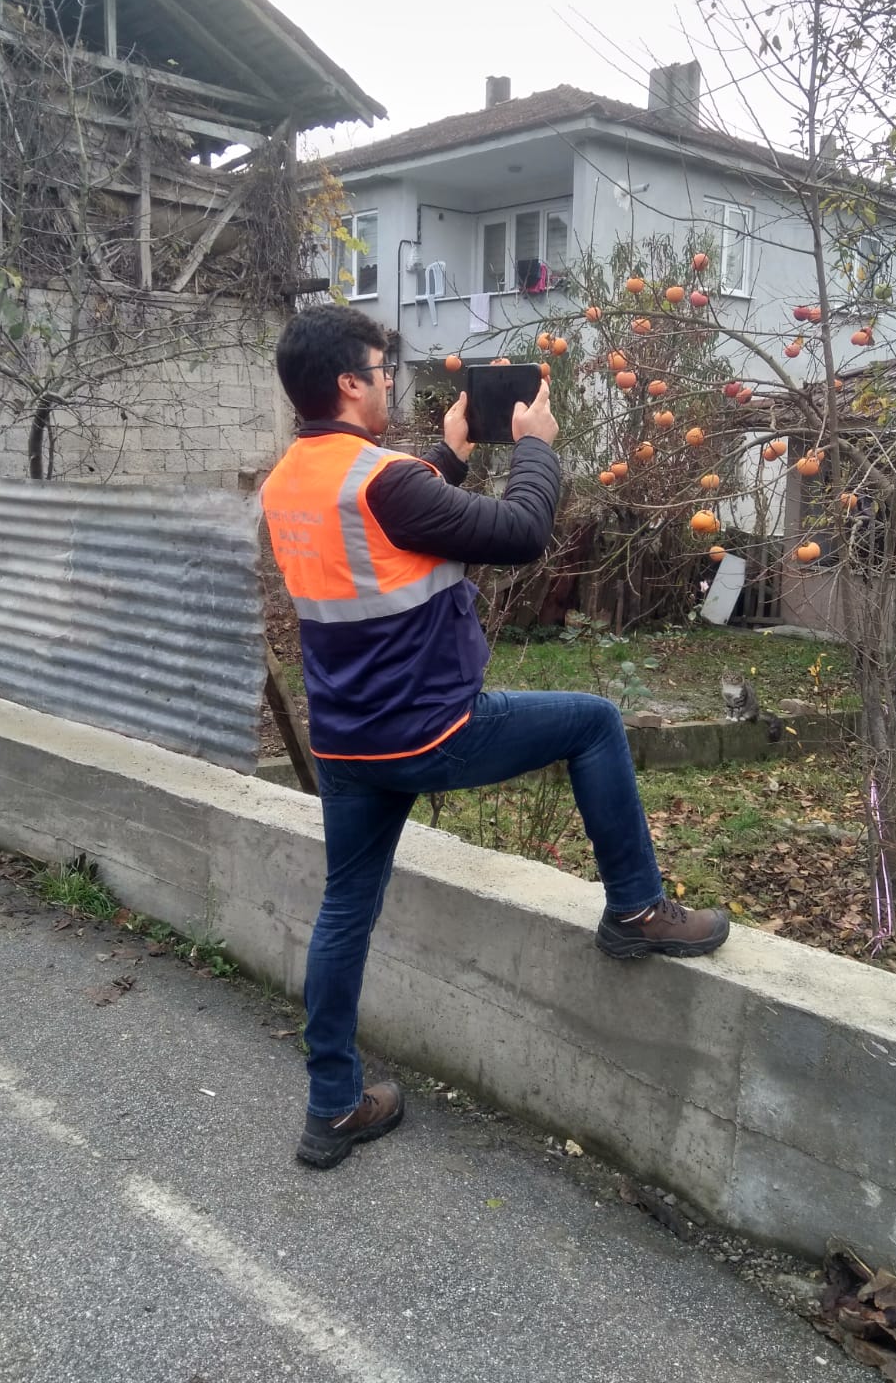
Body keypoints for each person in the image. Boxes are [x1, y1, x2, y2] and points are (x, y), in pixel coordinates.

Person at [259, 306, 729, 1170]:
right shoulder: (382, 477)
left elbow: (392, 524)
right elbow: (517, 534)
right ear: (348, 384)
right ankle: (635, 909)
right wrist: (539, 447)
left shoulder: (289, 479)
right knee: (592, 722)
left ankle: (333, 1108)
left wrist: (455, 452)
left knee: (343, 913)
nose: (389, 380)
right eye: (379, 368)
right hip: (429, 730)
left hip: (347, 744)